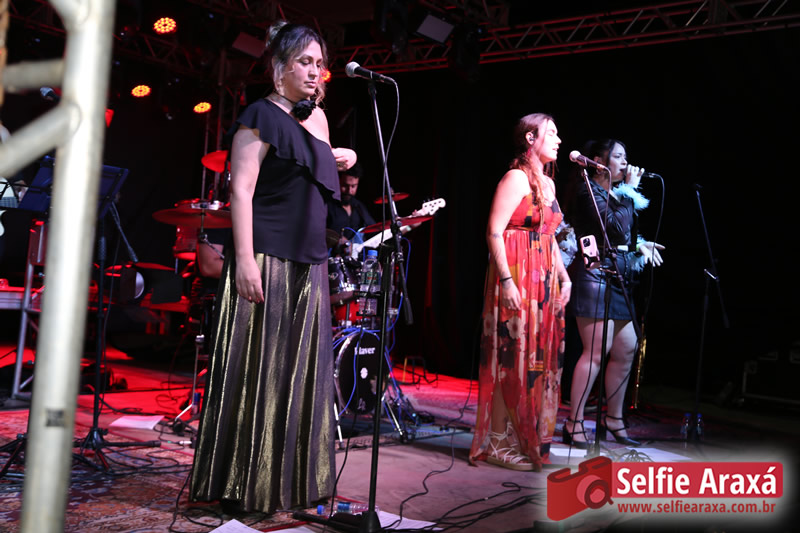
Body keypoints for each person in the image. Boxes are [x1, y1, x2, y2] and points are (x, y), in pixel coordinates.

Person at [189, 21, 357, 514]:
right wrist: (243, 260)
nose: (315, 71)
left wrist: (337, 156)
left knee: (299, 375)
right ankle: (245, 486)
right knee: (258, 372)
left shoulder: (319, 120)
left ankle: (291, 484)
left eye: (319, 63)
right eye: (305, 61)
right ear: (279, 68)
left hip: (310, 258)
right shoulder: (259, 116)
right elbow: (240, 191)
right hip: (266, 253)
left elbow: (312, 172)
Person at [469, 114, 571, 471]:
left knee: (537, 361)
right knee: (511, 358)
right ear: (530, 138)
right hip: (516, 275)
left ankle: (524, 438)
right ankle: (498, 443)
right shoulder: (515, 178)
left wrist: (564, 277)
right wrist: (507, 280)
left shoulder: (549, 183)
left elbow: (549, 237)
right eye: (551, 133)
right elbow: (494, 231)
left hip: (543, 280)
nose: (558, 140)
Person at [563, 139, 664, 449]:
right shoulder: (588, 191)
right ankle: (574, 422)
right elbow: (613, 228)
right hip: (594, 275)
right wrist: (630, 191)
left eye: (625, 157)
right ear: (599, 162)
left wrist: (639, 246)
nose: (625, 163)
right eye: (618, 156)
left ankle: (614, 419)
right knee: (596, 351)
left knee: (627, 348)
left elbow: (621, 237)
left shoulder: (615, 195)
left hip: (618, 276)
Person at [326, 161, 375, 242]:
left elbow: (374, 229)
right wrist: (338, 238)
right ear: (337, 181)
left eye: (353, 186)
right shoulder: (327, 205)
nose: (349, 191)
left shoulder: (358, 206)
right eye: (345, 185)